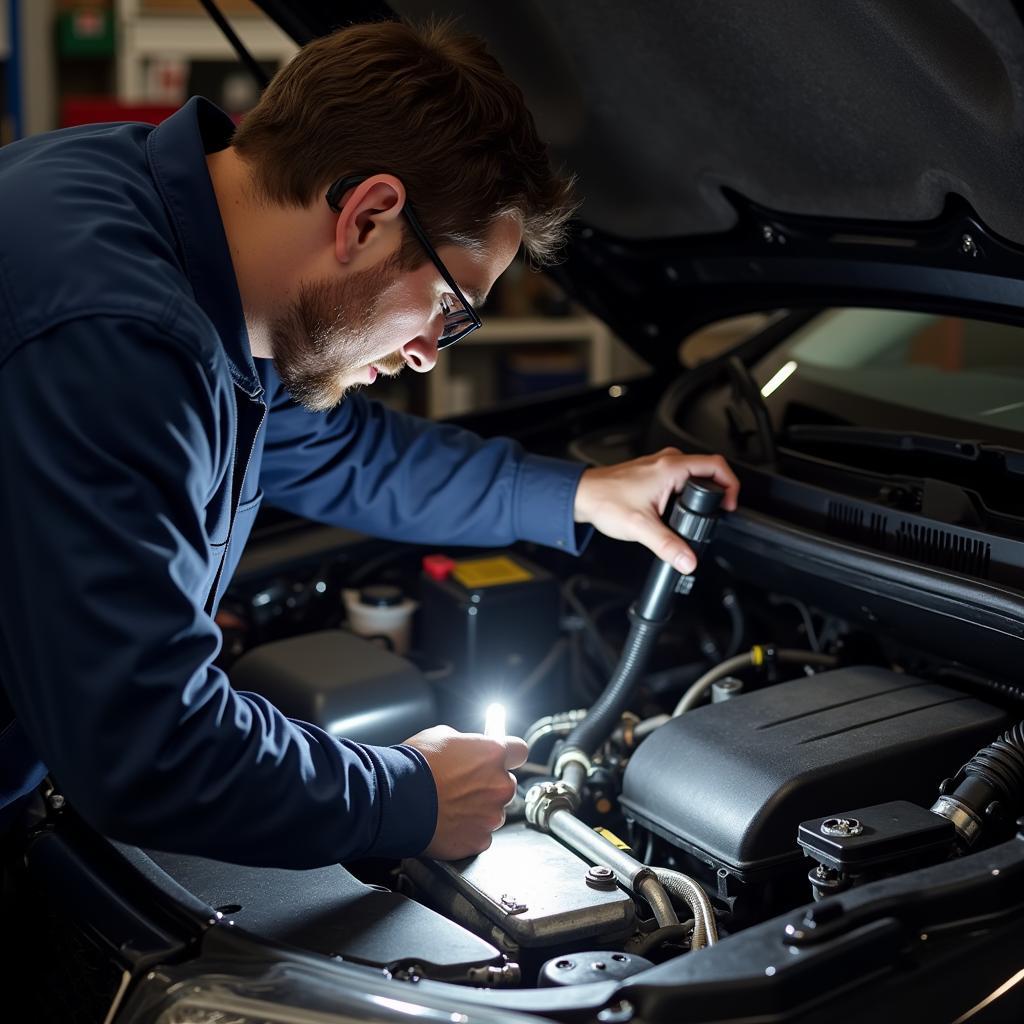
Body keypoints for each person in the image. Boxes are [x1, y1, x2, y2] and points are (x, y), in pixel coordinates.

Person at [0, 20, 738, 867]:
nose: (429, 350)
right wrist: (411, 796)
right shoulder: (115, 341)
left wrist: (574, 494)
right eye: (451, 306)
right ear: (370, 215)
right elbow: (146, 751)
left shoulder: (140, 209)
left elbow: (330, 450)